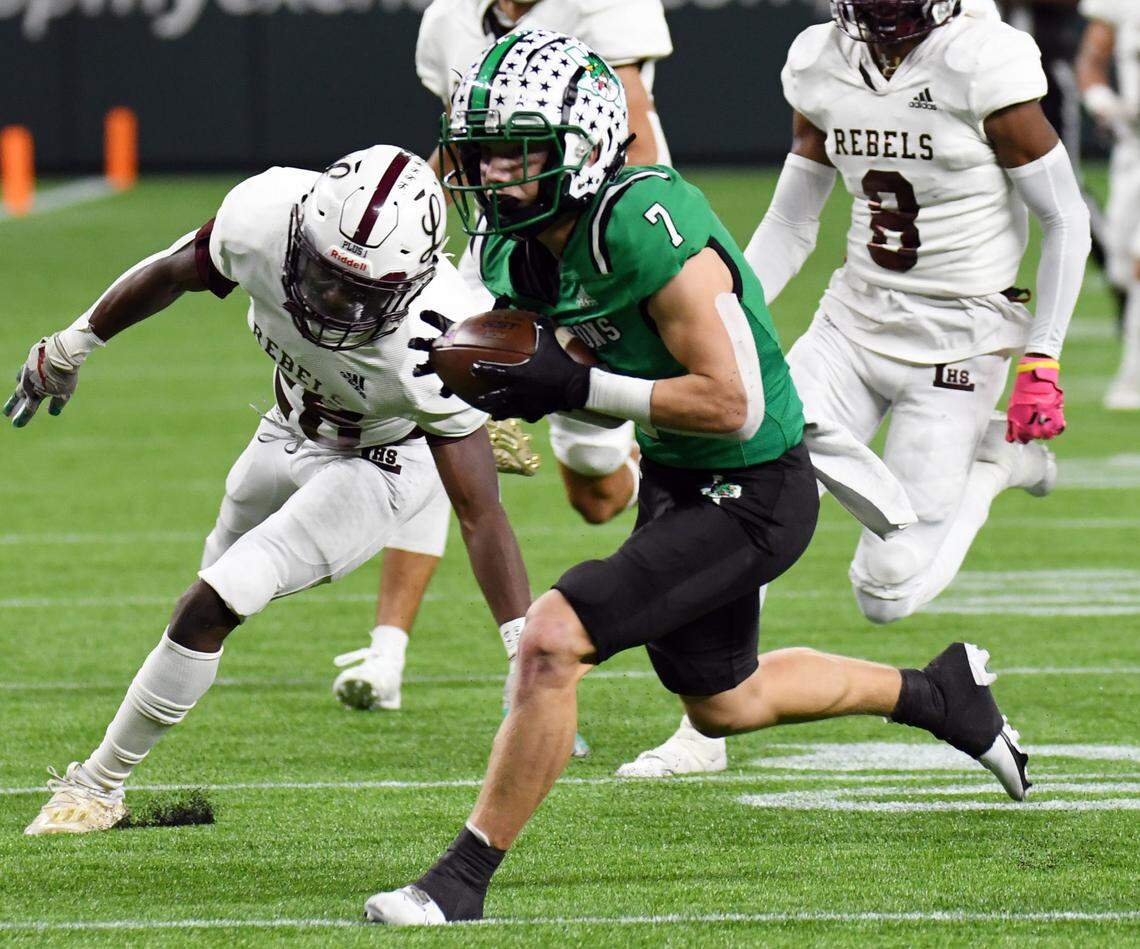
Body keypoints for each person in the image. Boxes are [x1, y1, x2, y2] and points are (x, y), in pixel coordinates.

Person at [362, 30, 1032, 925]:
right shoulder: (515, 250)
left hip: (755, 485)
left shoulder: (645, 226)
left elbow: (734, 405)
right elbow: (576, 369)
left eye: (522, 151)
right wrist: (503, 383)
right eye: (486, 153)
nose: (496, 174)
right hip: (682, 476)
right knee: (725, 702)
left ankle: (458, 881)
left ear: (588, 144)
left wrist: (572, 384)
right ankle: (942, 693)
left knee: (552, 640)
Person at [619, 0, 1092, 781]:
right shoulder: (821, 59)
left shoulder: (985, 61)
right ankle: (704, 726)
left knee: (887, 589)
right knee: (732, 465)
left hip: (962, 339)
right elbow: (793, 220)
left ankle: (998, 463)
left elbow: (1064, 217)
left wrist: (1042, 356)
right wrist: (719, 327)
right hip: (853, 320)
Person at [10, 145, 533, 834]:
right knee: (200, 595)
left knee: (214, 600)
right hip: (285, 424)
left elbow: (479, 512)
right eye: (324, 273)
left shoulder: (436, 340)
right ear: (300, 234)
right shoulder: (264, 215)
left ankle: (98, 785)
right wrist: (73, 343)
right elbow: (173, 270)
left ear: (410, 286)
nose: (335, 300)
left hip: (379, 463)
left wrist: (526, 645)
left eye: (363, 292)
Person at [332, 0, 674, 739]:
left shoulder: (604, 7)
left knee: (595, 494)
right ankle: (393, 654)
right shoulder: (448, 18)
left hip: (598, 251)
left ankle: (648, 462)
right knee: (432, 402)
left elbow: (635, 138)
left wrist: (595, 299)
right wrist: (408, 225)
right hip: (499, 247)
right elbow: (459, 145)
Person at [1076, 0, 1140, 409]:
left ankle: (1133, 378)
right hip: (1131, 152)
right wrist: (1104, 103)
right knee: (1120, 266)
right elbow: (1091, 60)